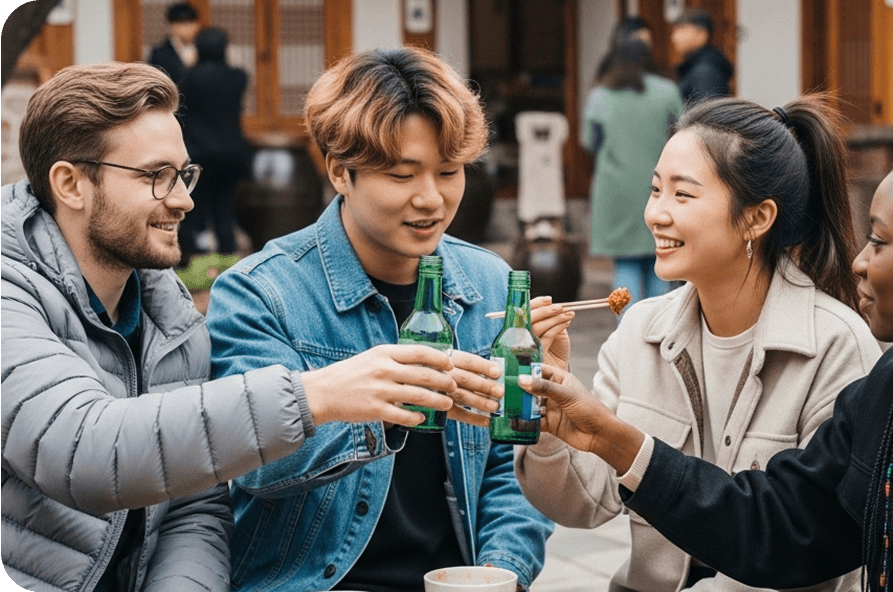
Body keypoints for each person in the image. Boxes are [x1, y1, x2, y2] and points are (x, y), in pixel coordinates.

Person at [1, 61, 505, 592]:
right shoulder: (11, 294)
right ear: (70, 184)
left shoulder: (165, 309)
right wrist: (323, 394)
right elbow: (89, 449)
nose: (184, 200)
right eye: (156, 177)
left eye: (183, 174)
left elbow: (195, 505)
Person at [522, 132, 893, 592]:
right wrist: (607, 437)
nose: (858, 262)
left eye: (879, 242)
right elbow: (778, 525)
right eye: (655, 189)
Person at [206, 47, 560, 592]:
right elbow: (251, 462)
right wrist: (390, 408)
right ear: (339, 172)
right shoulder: (262, 291)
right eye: (402, 175)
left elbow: (507, 468)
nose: (432, 199)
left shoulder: (489, 285)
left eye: (448, 171)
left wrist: (502, 572)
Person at [518, 95, 883, 591]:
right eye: (655, 190)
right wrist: (544, 417)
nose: (656, 215)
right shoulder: (640, 330)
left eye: (682, 196)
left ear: (757, 217)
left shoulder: (836, 345)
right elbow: (581, 501)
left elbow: (803, 539)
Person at [584, 39, 682, 311]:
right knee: (659, 259)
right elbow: (682, 135)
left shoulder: (600, 96)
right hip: (660, 186)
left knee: (624, 262)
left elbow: (589, 142)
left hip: (615, 190)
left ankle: (628, 333)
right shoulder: (668, 91)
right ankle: (659, 330)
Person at [177, 26, 251, 261]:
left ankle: (194, 263)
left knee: (195, 210)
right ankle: (228, 258)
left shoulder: (190, 78)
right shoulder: (238, 77)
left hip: (199, 152)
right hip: (230, 154)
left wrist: (189, 63)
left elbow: (182, 111)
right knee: (225, 210)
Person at [671, 7, 733, 104]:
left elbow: (707, 114)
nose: (674, 37)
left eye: (682, 31)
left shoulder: (706, 71)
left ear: (702, 34)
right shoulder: (696, 65)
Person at [147, 2, 199, 85]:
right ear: (171, 26)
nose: (188, 28)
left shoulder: (203, 49)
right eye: (183, 23)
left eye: (191, 23)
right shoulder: (159, 53)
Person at [595, 16, 657, 80]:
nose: (644, 50)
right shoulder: (607, 77)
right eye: (639, 44)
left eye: (647, 45)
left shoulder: (655, 78)